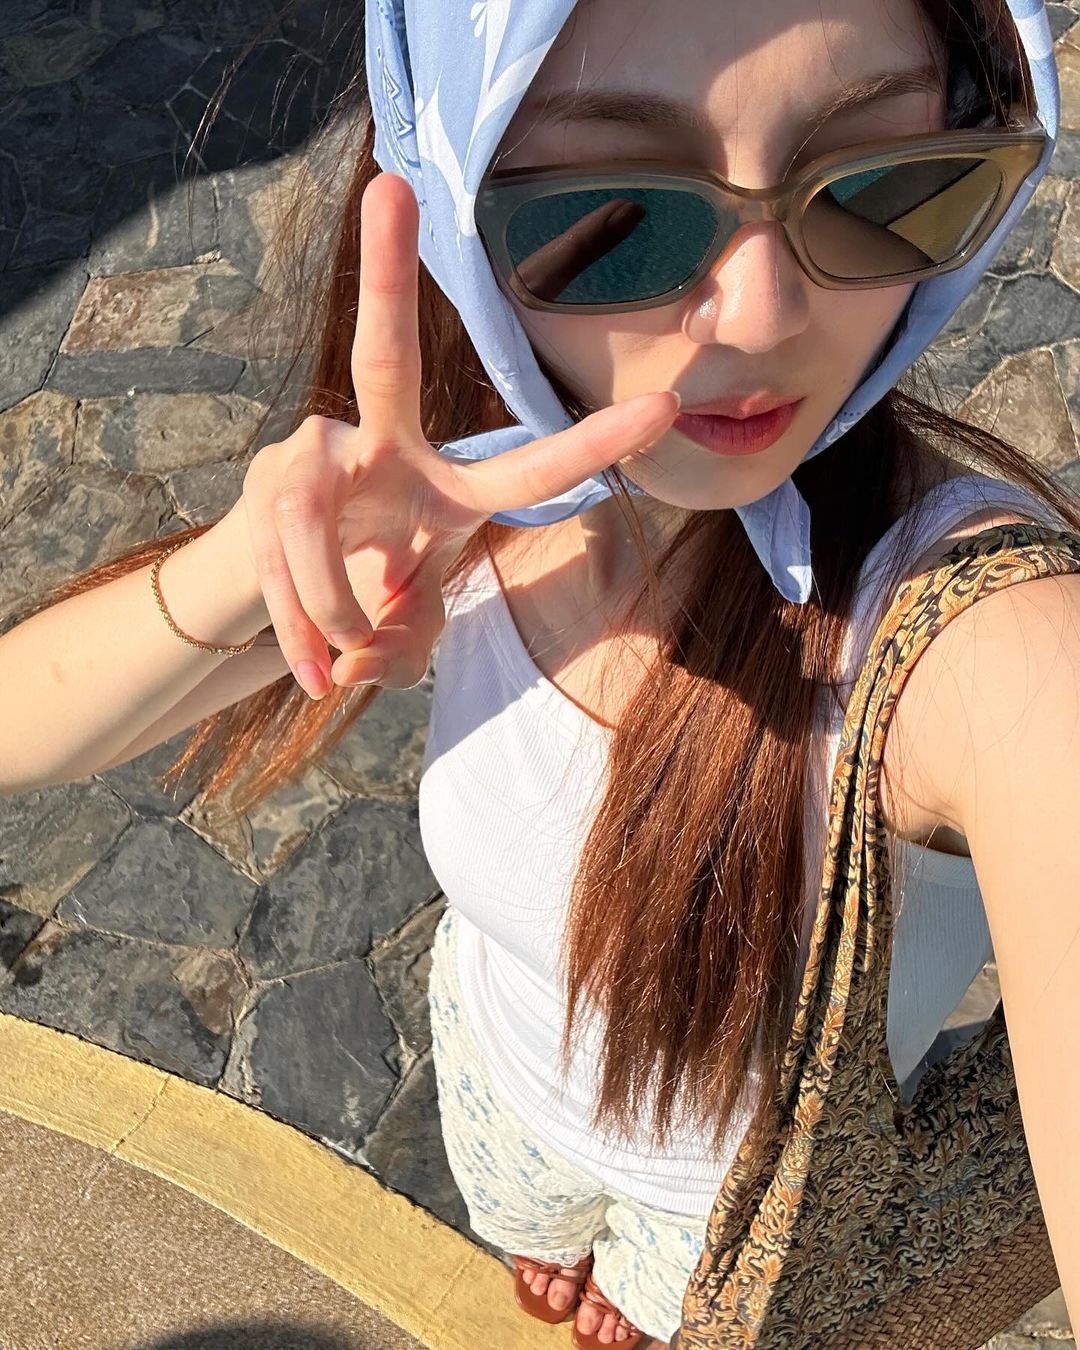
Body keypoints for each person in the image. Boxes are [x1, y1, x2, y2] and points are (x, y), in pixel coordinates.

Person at [1, 0, 1077, 1345]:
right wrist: (246, 568)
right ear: (458, 213)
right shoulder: (471, 485)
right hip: (500, 1074)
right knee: (529, 1223)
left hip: (725, 1207)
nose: (762, 315)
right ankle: (553, 1234)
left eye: (880, 184)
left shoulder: (982, 646)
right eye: (621, 217)